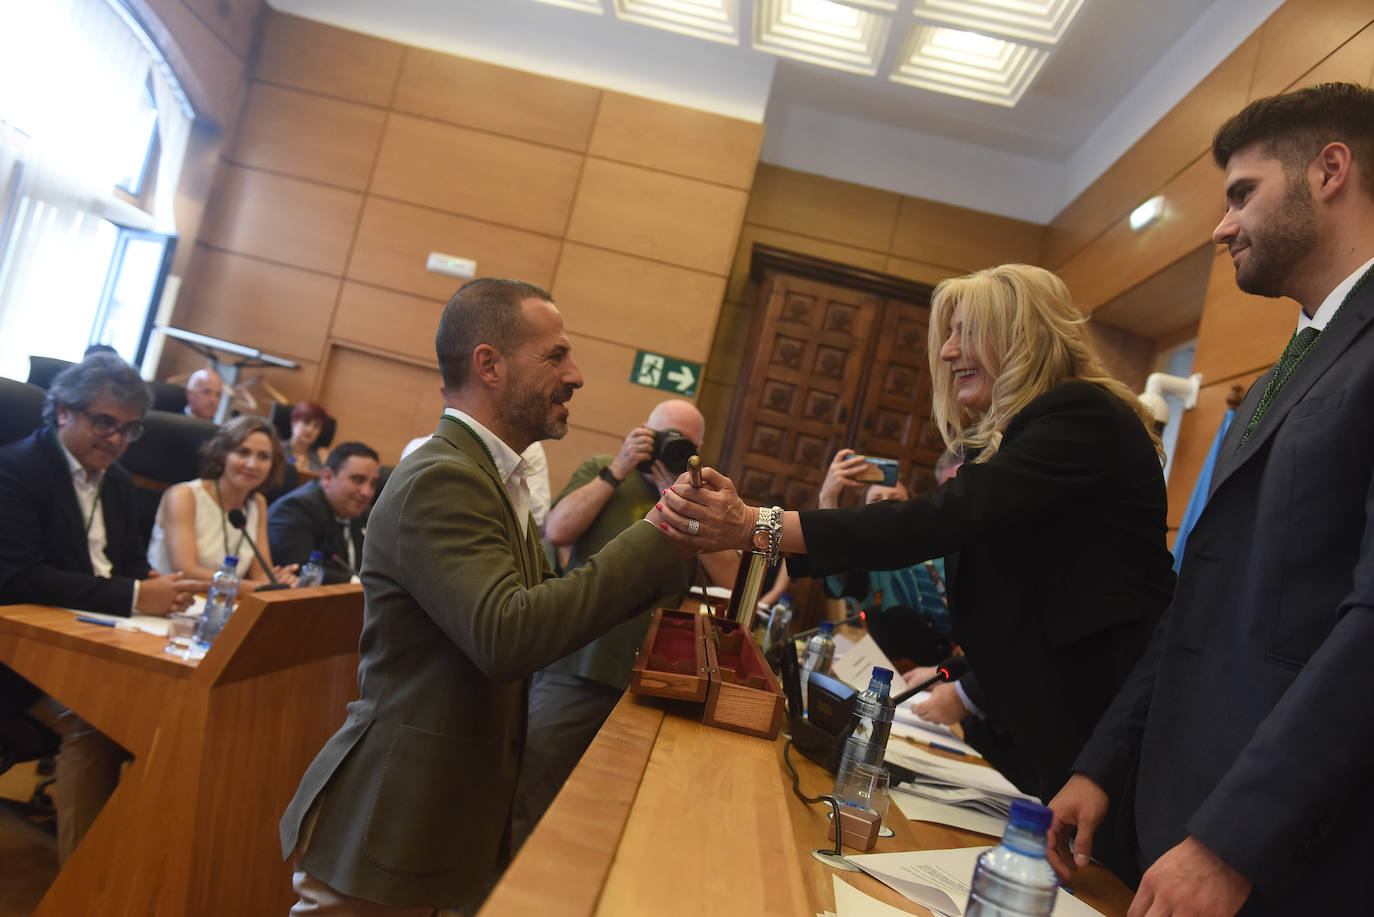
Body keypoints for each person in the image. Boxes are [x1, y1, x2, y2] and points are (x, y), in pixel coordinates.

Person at [658, 263, 1175, 879]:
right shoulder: (1037, 434)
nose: (949, 350)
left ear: (1023, 336)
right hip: (1058, 740)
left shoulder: (1079, 416)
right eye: (948, 334)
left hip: (1114, 751)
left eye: (965, 331)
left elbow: (938, 521)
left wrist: (756, 526)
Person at [1045, 82, 1374, 917]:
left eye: (1242, 194)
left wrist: (1235, 838)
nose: (1222, 226)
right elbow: (1206, 597)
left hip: (1292, 855)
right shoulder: (1274, 380)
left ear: (1330, 170)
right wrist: (1103, 761)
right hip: (1183, 813)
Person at [278, 277, 696, 914]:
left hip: (445, 823)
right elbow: (509, 636)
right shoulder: (444, 477)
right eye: (555, 356)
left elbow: (547, 605)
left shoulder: (497, 476)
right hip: (394, 820)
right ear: (489, 364)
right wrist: (660, 532)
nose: (577, 375)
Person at [511, 399, 737, 850]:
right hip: (574, 666)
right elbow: (557, 531)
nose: (671, 448)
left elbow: (731, 576)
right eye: (663, 437)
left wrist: (683, 500)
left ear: (699, 450)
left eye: (684, 444)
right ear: (642, 433)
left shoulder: (700, 499)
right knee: (531, 791)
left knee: (606, 810)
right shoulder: (602, 470)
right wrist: (616, 470)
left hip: (648, 684)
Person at [0, 353, 197, 863]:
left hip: (96, 644)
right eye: (104, 422)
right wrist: (134, 595)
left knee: (168, 718)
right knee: (100, 722)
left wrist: (158, 588)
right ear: (63, 411)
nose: (115, 439)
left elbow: (130, 564)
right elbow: (18, 579)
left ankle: (135, 867)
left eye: (129, 429)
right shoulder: (16, 470)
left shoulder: (121, 484)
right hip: (20, 656)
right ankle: (82, 888)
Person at [147, 415, 299, 590]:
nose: (252, 465)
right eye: (243, 452)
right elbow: (186, 571)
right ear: (222, 455)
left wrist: (280, 581)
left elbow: (260, 574)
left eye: (263, 457)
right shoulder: (183, 496)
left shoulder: (257, 503)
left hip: (222, 606)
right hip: (170, 602)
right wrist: (258, 588)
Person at [268, 441, 381, 584]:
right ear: (327, 477)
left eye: (373, 484)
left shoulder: (363, 515)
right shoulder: (294, 509)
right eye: (358, 480)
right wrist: (357, 582)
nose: (367, 492)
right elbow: (301, 567)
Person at [287, 401, 328, 472]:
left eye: (316, 426)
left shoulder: (321, 457)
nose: (310, 429)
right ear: (294, 422)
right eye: (306, 422)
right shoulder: (276, 449)